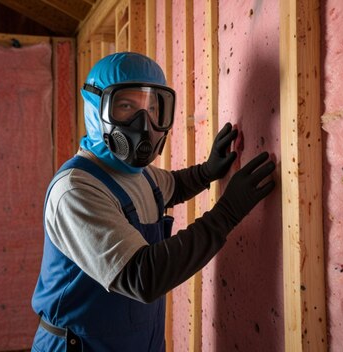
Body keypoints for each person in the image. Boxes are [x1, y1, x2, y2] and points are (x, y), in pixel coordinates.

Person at [31, 52, 275, 352]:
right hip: (80, 346)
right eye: (126, 107)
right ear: (95, 110)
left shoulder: (140, 175)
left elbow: (172, 186)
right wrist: (227, 213)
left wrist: (207, 171)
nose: (143, 124)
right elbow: (142, 276)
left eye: (152, 108)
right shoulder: (76, 191)